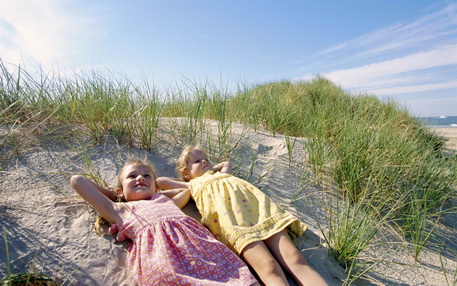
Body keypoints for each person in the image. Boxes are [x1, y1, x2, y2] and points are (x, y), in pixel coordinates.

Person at [157, 146, 328, 286]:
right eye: (197, 161)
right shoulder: (192, 184)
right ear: (186, 173)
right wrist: (192, 178)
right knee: (268, 267)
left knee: (295, 259)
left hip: (261, 212)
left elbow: (226, 163)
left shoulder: (223, 174)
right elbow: (161, 181)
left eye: (206, 159)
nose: (204, 161)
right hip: (233, 223)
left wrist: (211, 168)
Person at [70, 159, 258, 286]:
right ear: (120, 191)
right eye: (132, 176)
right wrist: (114, 196)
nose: (140, 178)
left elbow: (184, 192)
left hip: (201, 248)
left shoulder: (165, 201)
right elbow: (77, 180)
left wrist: (157, 194)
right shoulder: (119, 210)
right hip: (164, 257)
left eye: (146, 176)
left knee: (234, 276)